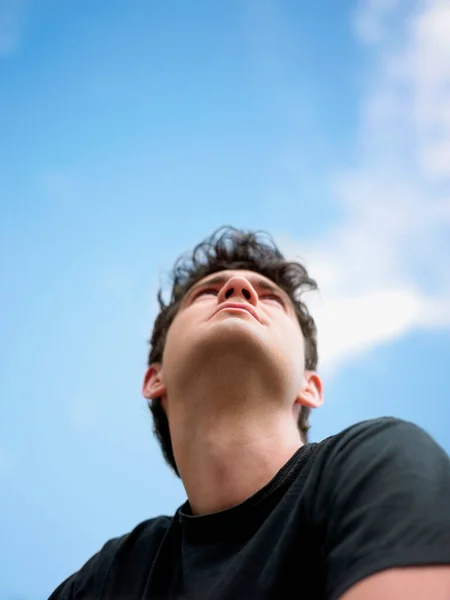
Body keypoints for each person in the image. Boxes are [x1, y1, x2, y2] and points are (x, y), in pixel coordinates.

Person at [49, 226, 450, 599]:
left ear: (309, 386)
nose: (238, 287)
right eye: (205, 293)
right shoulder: (110, 578)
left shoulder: (376, 463)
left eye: (272, 298)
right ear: (155, 378)